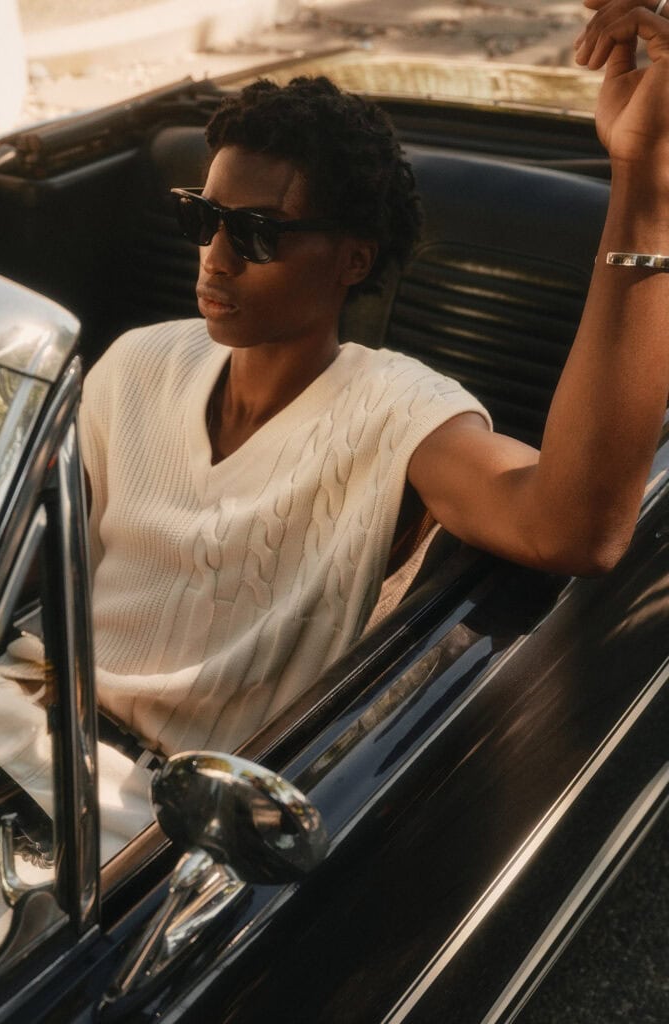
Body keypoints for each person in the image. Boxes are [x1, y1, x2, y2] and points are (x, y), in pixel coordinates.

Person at [77, 0, 669, 760]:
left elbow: (575, 527)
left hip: (159, 827)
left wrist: (642, 177)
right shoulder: (136, 362)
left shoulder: (396, 411)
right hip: (19, 729)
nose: (216, 258)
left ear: (354, 260)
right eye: (203, 219)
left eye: (256, 233)